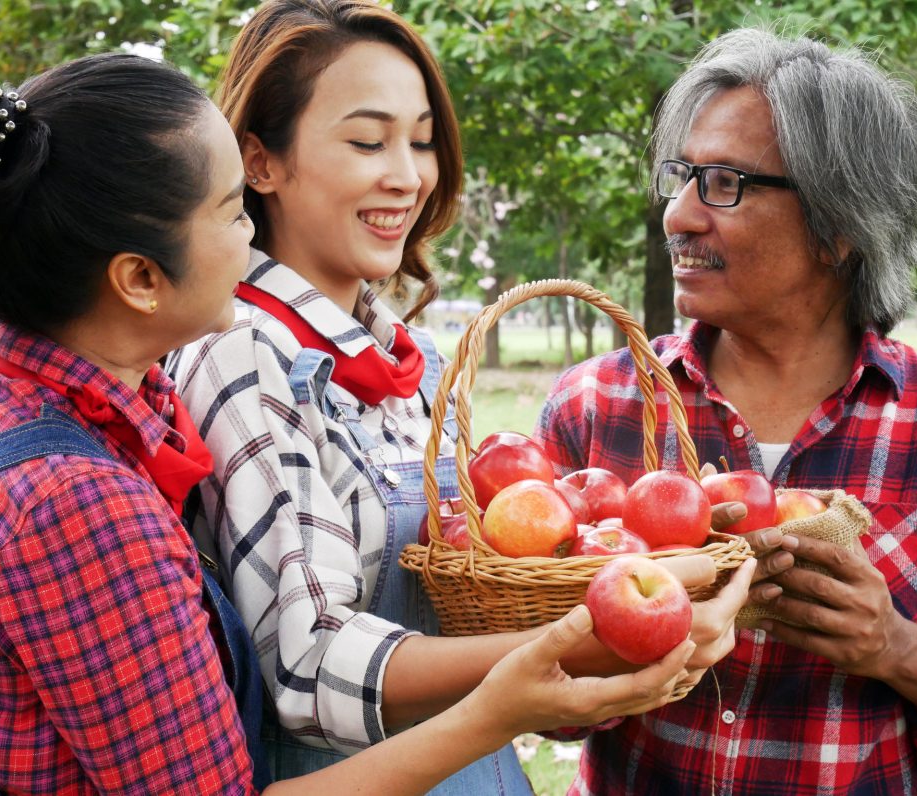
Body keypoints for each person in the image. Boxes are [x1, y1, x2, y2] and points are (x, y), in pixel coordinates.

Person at [0, 51, 718, 796]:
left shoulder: (51, 415)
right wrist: (498, 707)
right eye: (230, 214)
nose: (250, 235)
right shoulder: (76, 505)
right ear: (141, 278)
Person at [168, 0, 756, 791]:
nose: (408, 176)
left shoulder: (414, 362)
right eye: (368, 141)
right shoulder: (244, 353)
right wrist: (576, 642)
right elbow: (308, 665)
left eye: (421, 142)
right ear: (261, 162)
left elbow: (465, 588)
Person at [536, 27, 917, 795]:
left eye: (724, 183)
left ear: (839, 225)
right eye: (682, 176)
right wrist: (621, 643)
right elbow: (543, 701)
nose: (679, 215)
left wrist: (893, 648)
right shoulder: (599, 406)